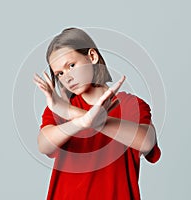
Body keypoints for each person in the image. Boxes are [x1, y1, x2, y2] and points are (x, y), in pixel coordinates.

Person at [33, 27, 161, 200]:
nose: (67, 77)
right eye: (60, 73)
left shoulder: (130, 104)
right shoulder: (59, 107)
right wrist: (79, 121)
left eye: (71, 65)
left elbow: (146, 142)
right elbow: (44, 144)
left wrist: (96, 122)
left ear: (92, 57)